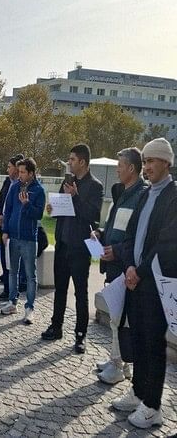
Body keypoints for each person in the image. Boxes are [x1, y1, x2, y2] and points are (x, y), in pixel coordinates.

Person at [110, 138, 177, 429]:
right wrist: (128, 266)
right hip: (134, 278)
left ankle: (153, 405)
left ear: (166, 163)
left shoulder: (173, 196)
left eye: (152, 161)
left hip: (155, 284)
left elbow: (167, 241)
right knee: (137, 337)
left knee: (153, 344)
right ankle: (138, 392)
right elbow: (129, 234)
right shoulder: (146, 195)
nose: (147, 167)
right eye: (145, 161)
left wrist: (140, 270)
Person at [41, 144, 103, 354]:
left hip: (79, 248)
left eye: (72, 160)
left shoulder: (95, 186)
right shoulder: (67, 182)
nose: (69, 163)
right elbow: (60, 210)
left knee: (80, 292)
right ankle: (56, 326)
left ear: (83, 162)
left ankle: (80, 335)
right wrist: (52, 209)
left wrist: (75, 197)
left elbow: (91, 216)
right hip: (62, 244)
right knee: (60, 288)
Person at [96, 147, 146, 384]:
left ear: (131, 168)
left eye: (119, 166)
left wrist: (115, 251)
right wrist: (101, 234)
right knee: (117, 316)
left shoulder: (141, 196)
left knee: (120, 318)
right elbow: (117, 227)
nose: (116, 170)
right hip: (115, 264)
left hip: (127, 267)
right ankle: (118, 361)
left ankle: (119, 365)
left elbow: (137, 237)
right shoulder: (124, 193)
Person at [0, 158, 45, 324]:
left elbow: (39, 214)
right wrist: (5, 231)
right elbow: (9, 210)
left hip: (28, 239)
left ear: (31, 173)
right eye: (18, 172)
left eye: (23, 172)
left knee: (30, 275)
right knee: (12, 271)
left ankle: (30, 307)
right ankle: (12, 302)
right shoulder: (14, 187)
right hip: (13, 237)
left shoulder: (39, 190)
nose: (19, 175)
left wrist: (26, 204)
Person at [0, 154, 24, 301]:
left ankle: (13, 291)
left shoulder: (22, 185)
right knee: (5, 260)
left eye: (9, 167)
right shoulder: (7, 182)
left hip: (14, 228)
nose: (7, 170)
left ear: (17, 168)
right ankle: (7, 288)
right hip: (2, 225)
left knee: (13, 262)